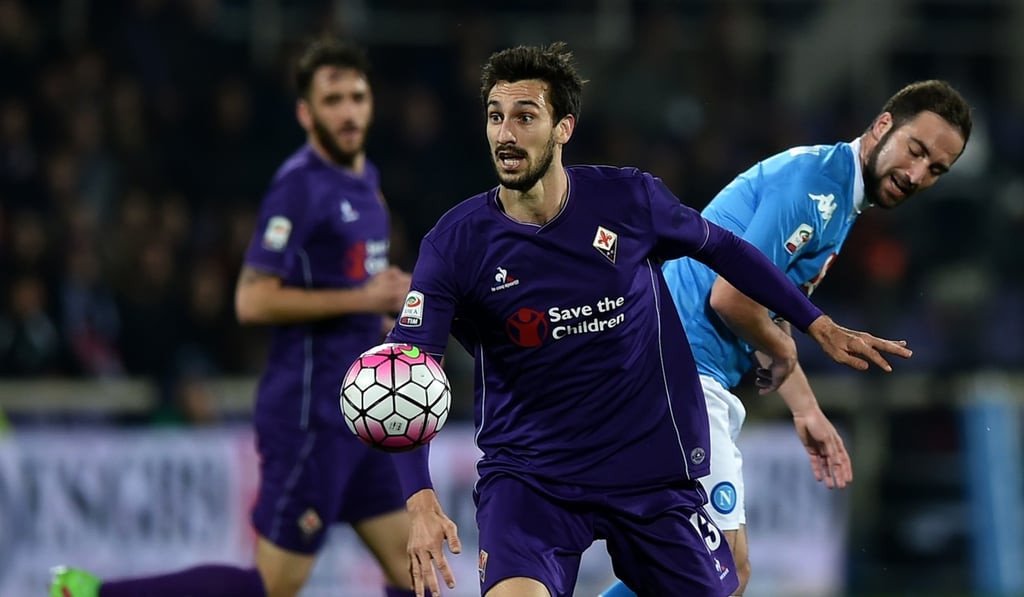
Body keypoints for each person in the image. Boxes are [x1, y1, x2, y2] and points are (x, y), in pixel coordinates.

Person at [383, 42, 913, 597]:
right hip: (531, 475)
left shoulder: (628, 200)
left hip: (647, 466)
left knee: (728, 585)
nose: (505, 134)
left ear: (563, 127)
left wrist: (818, 325)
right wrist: (419, 500)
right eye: (496, 117)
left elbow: (726, 252)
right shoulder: (454, 243)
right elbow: (404, 372)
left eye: (525, 116)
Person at [50, 38, 421, 597]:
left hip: (364, 415)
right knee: (271, 585)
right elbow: (251, 299)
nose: (348, 112)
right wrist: (362, 300)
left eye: (357, 97)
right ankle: (94, 594)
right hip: (309, 415)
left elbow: (358, 287)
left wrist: (386, 316)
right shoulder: (298, 189)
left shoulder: (366, 182)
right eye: (333, 99)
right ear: (306, 112)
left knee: (418, 575)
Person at [598, 80, 972, 597]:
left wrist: (804, 407)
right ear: (883, 125)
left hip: (665, 368)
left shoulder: (838, 196)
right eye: (916, 150)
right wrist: (787, 348)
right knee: (723, 568)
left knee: (691, 569)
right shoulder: (814, 189)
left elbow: (762, 307)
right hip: (677, 371)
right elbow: (731, 298)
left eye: (936, 170)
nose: (916, 174)